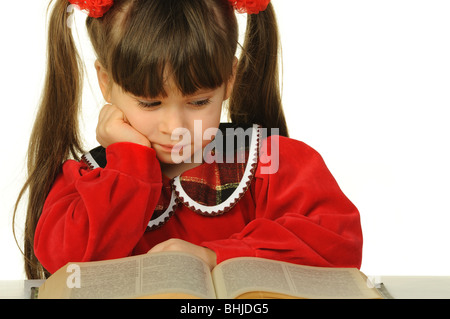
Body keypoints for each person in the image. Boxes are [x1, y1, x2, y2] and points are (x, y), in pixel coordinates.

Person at [15, 0, 363, 280]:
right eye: (149, 103)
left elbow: (338, 244)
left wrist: (215, 257)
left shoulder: (273, 160)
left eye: (198, 102)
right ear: (106, 83)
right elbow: (68, 267)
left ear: (229, 79)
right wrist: (130, 161)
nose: (174, 126)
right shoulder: (85, 180)